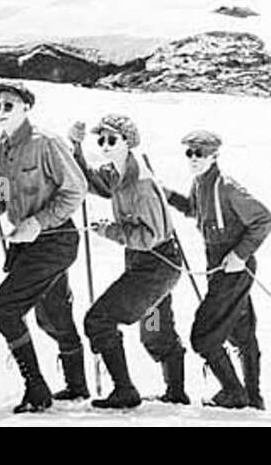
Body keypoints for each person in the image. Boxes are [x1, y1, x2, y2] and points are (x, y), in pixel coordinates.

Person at [0, 81, 87, 414]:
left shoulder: (46, 143)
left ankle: (36, 389)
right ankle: (78, 386)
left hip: (55, 239)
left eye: (9, 105)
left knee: (3, 309)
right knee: (53, 314)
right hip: (26, 244)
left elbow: (75, 190)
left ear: (25, 107)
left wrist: (38, 222)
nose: (2, 111)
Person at [71, 113, 188, 410]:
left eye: (112, 139)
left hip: (155, 266)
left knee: (99, 320)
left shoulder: (140, 184)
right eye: (101, 140)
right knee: (155, 331)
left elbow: (150, 236)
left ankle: (124, 391)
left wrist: (109, 230)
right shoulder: (118, 172)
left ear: (128, 142)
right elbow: (90, 182)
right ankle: (176, 393)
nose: (105, 145)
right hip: (151, 265)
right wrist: (76, 147)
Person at [164, 129, 271, 409]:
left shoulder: (226, 187)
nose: (193, 158)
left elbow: (264, 219)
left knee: (203, 337)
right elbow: (195, 210)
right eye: (189, 153)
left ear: (214, 156)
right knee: (242, 332)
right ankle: (253, 397)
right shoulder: (201, 183)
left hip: (233, 268)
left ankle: (234, 393)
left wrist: (240, 254)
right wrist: (167, 195)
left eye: (199, 153)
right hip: (218, 265)